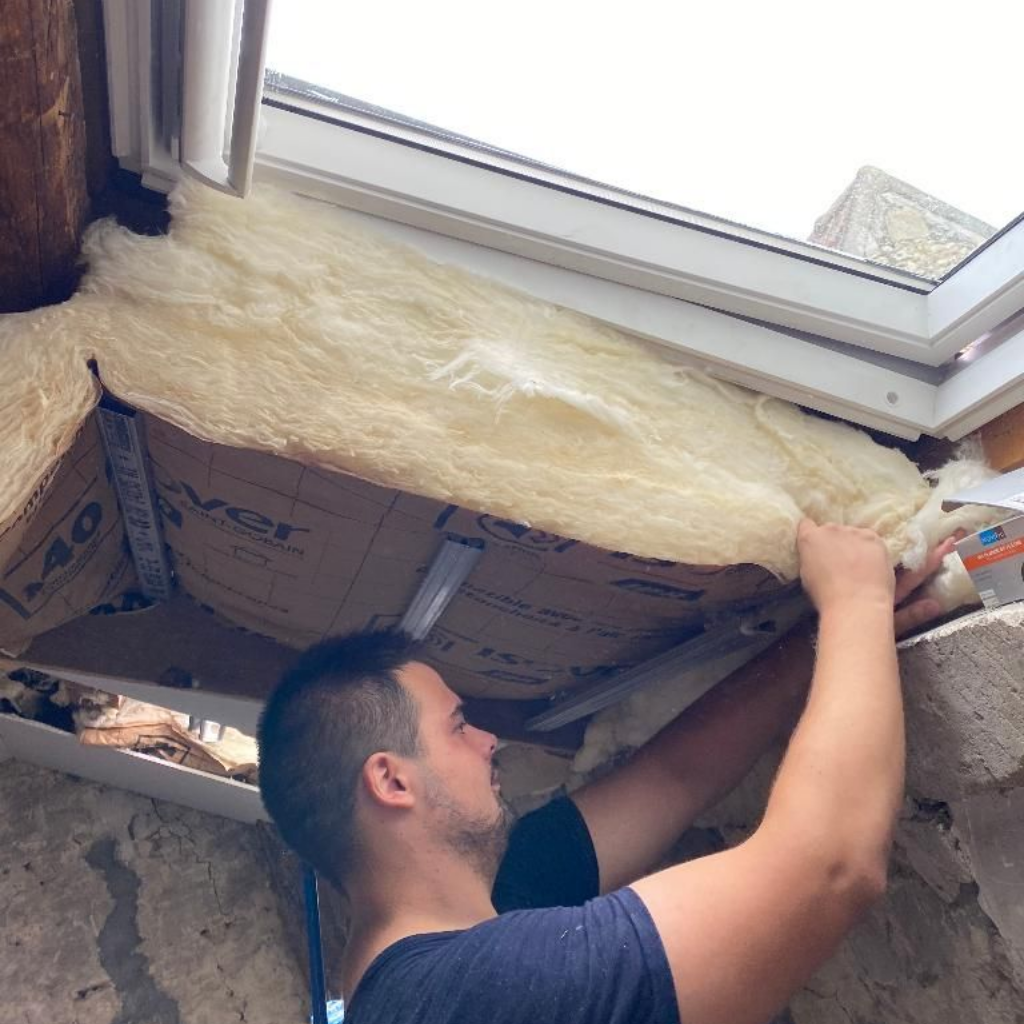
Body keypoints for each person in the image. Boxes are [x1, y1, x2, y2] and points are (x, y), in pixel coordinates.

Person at [258, 522, 957, 1024]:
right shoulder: (472, 998)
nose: (488, 740)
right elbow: (829, 869)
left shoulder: (491, 898)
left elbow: (673, 777)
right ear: (393, 782)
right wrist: (854, 601)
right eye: (458, 726)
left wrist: (824, 642)